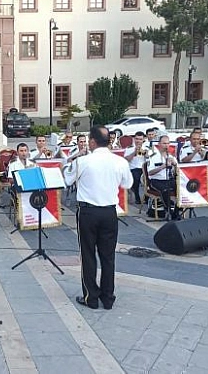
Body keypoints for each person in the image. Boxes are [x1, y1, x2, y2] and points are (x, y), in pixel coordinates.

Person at [63, 126, 132, 310]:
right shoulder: (120, 161)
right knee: (108, 256)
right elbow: (128, 183)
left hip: (88, 212)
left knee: (88, 255)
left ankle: (91, 297)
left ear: (92, 141)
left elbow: (67, 180)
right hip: (109, 212)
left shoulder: (83, 161)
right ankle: (108, 297)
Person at [147, 135, 180, 220]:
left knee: (181, 189)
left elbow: (178, 172)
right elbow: (150, 173)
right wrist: (163, 166)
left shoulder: (171, 156)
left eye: (168, 143)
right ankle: (169, 211)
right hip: (156, 180)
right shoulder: (153, 156)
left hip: (169, 179)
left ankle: (176, 211)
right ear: (159, 144)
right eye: (164, 143)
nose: (166, 145)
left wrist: (175, 165)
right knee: (165, 190)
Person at [123, 132, 148, 204]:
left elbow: (149, 159)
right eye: (136, 139)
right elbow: (127, 159)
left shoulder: (147, 148)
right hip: (134, 168)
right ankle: (137, 197)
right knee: (136, 178)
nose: (138, 141)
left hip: (144, 168)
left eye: (140, 139)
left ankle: (147, 197)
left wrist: (146, 154)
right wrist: (134, 152)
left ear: (143, 140)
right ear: (134, 139)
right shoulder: (129, 148)